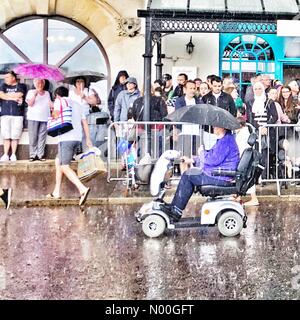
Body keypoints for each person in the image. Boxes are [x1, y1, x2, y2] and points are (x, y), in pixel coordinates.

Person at [161, 127, 240, 221]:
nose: (213, 128)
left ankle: (176, 210)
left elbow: (212, 160)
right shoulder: (225, 140)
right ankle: (175, 206)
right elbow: (211, 156)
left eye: (215, 126)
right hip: (218, 174)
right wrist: (192, 160)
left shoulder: (226, 142)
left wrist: (201, 152)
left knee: (188, 176)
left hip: (221, 177)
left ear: (222, 128)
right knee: (189, 174)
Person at [46, 86, 92, 206]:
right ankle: (56, 191)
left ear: (57, 95)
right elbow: (84, 123)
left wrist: (51, 108)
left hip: (66, 138)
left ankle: (82, 189)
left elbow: (55, 115)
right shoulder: (77, 104)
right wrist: (88, 139)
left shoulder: (59, 101)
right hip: (77, 138)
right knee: (58, 162)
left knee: (64, 166)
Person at [0, 71, 27, 161]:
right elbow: (1, 95)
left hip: (17, 115)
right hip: (5, 114)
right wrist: (13, 98)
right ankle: (6, 154)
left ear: (13, 78)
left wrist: (6, 95)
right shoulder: (3, 86)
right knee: (6, 135)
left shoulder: (21, 86)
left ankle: (13, 154)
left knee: (15, 136)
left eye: (7, 77)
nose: (5, 79)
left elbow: (20, 94)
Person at [25, 79, 52, 161]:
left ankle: (40, 155)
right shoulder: (31, 92)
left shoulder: (47, 93)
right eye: (38, 83)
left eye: (41, 83)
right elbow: (30, 104)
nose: (40, 84)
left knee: (42, 137)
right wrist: (35, 95)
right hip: (33, 117)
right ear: (34, 84)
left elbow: (49, 103)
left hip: (44, 118)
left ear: (44, 84)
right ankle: (32, 155)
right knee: (33, 137)